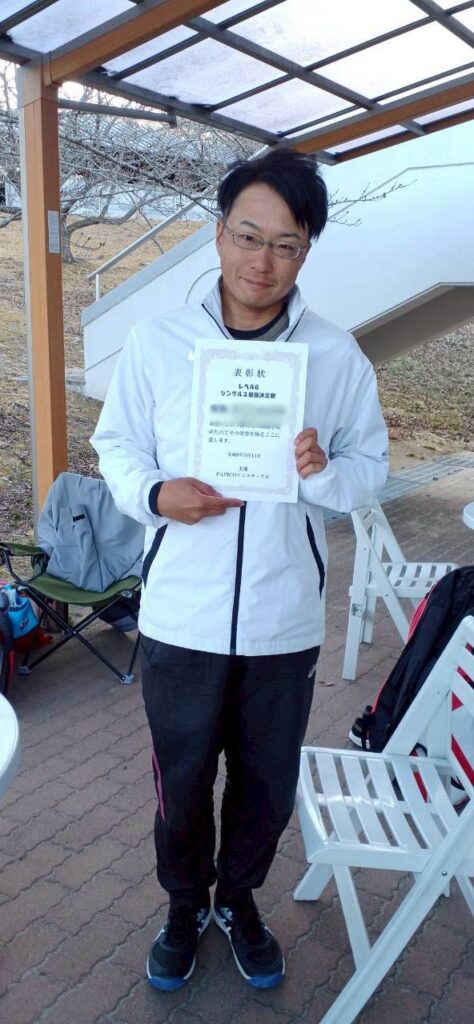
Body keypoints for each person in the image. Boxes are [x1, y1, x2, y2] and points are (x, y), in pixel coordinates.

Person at [91, 147, 388, 992]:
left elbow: (369, 469)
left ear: (306, 251)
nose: (263, 261)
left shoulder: (335, 357)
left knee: (265, 783)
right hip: (181, 616)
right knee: (182, 780)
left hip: (281, 619)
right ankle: (185, 905)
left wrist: (321, 471)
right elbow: (117, 446)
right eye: (248, 236)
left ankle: (239, 901)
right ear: (218, 235)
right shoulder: (158, 344)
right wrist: (157, 494)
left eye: (285, 244)